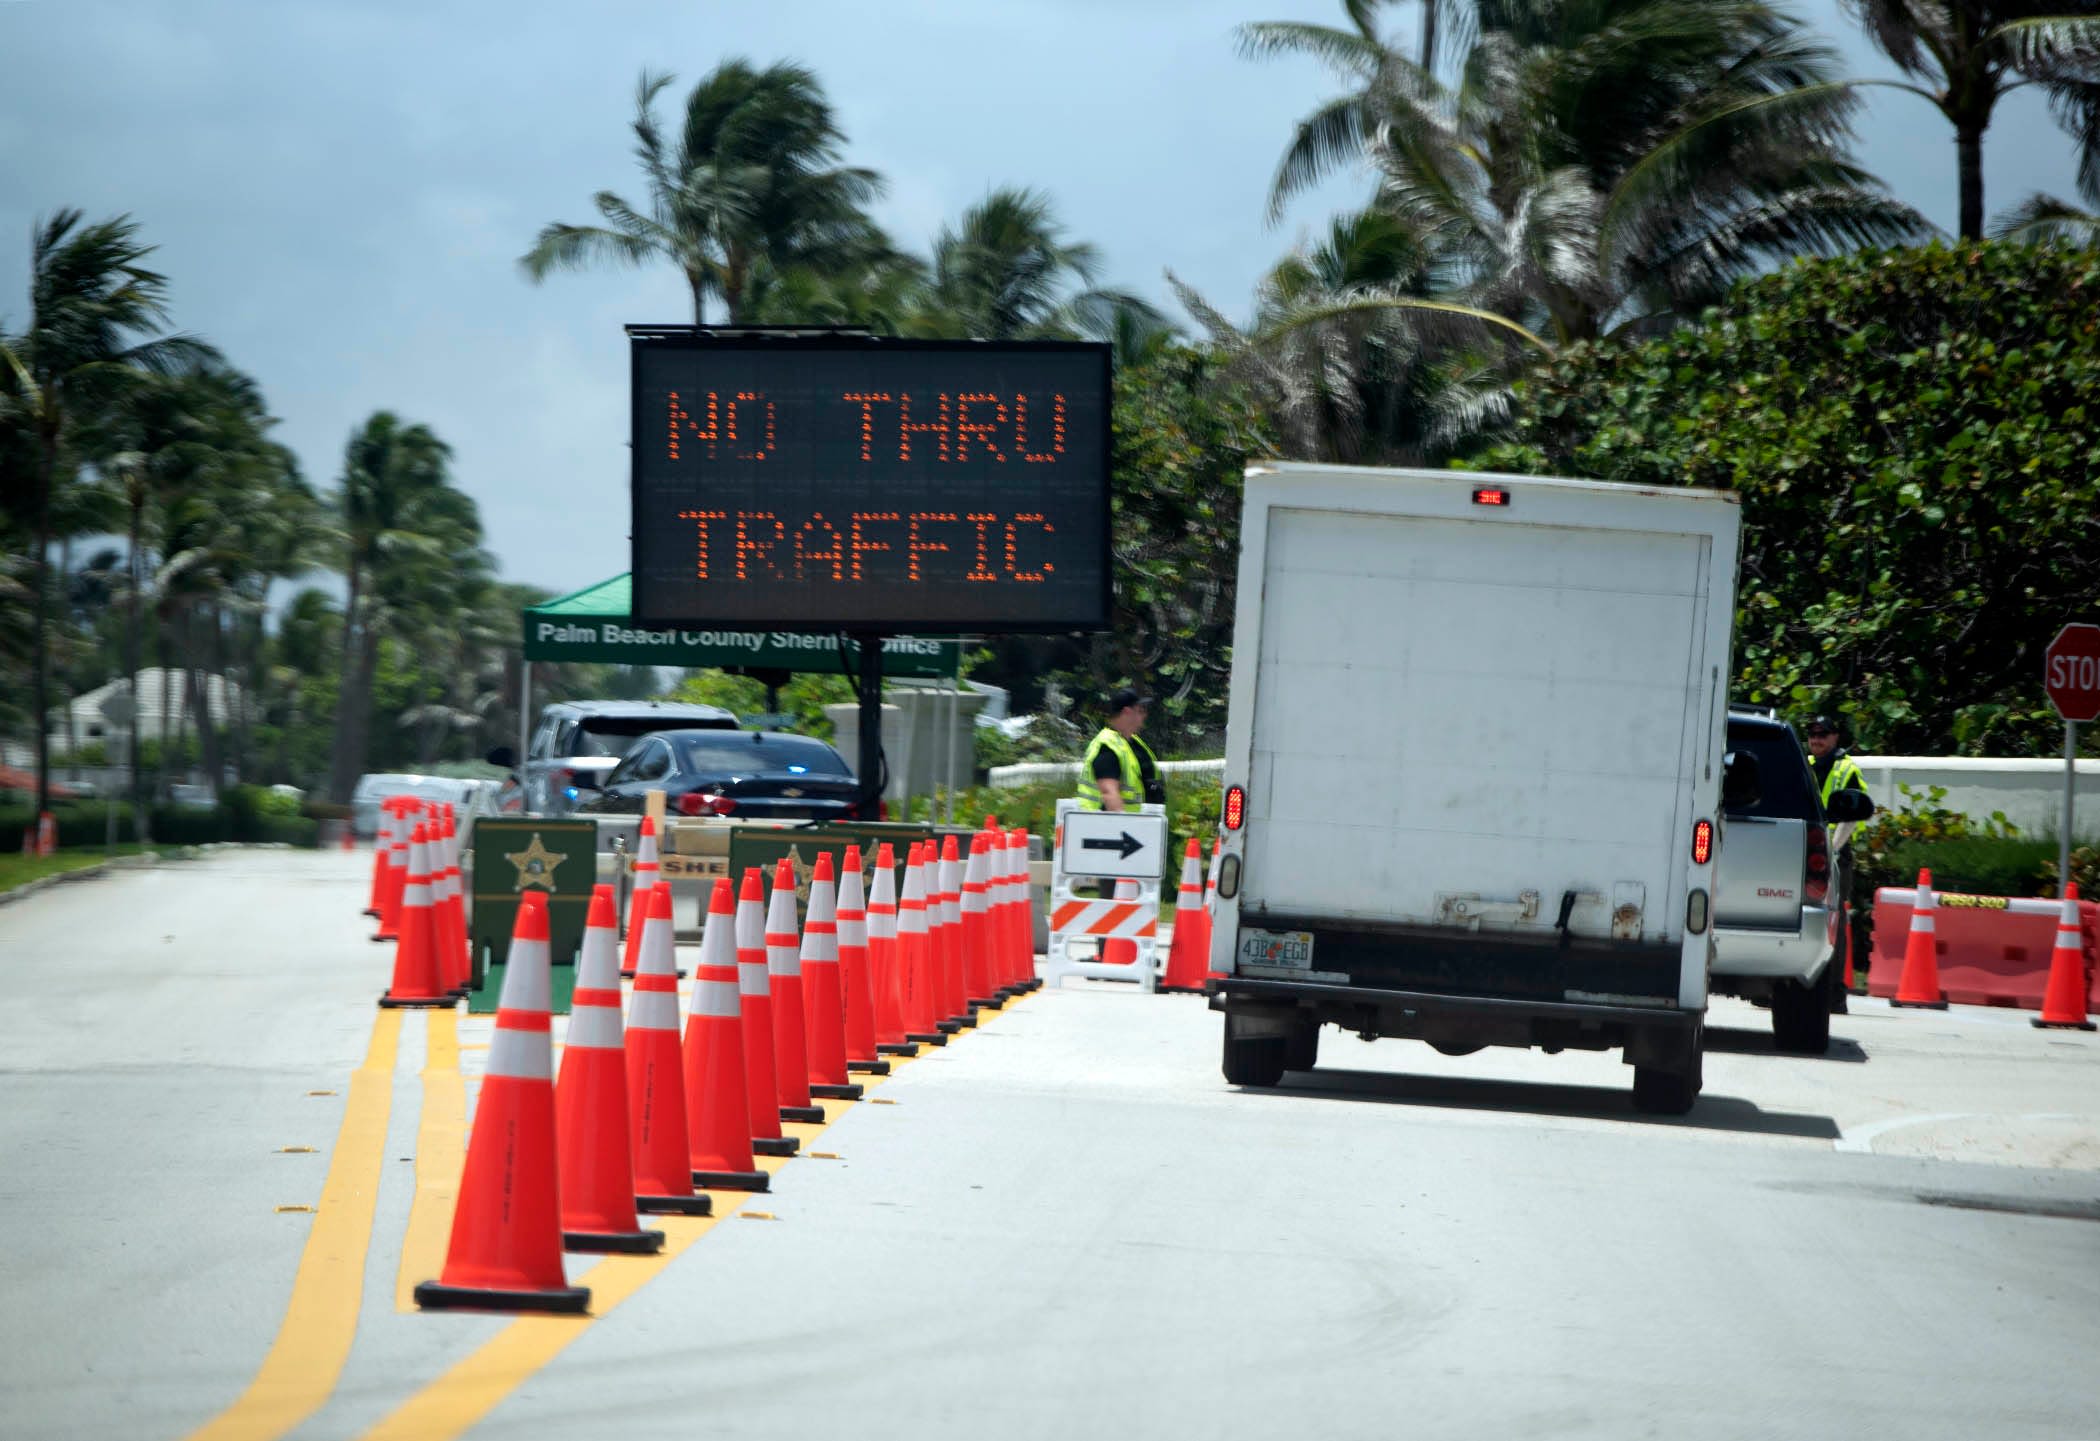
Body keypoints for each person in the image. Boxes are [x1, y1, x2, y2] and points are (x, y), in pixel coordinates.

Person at [1804, 714, 1873, 1006]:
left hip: (1834, 855)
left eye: (1824, 734)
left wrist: (1832, 847)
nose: (1817, 739)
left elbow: (1851, 814)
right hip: (1802, 850)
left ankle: (1833, 990)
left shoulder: (1847, 769)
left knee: (1833, 918)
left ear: (1835, 738)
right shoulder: (1804, 765)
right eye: (1812, 733)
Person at [1078, 687, 1165, 813]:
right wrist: (1125, 827)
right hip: (1110, 829)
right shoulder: (1108, 747)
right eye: (1140, 711)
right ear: (1127, 712)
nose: (1145, 715)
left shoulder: (1133, 743)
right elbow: (1109, 794)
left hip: (1141, 825)